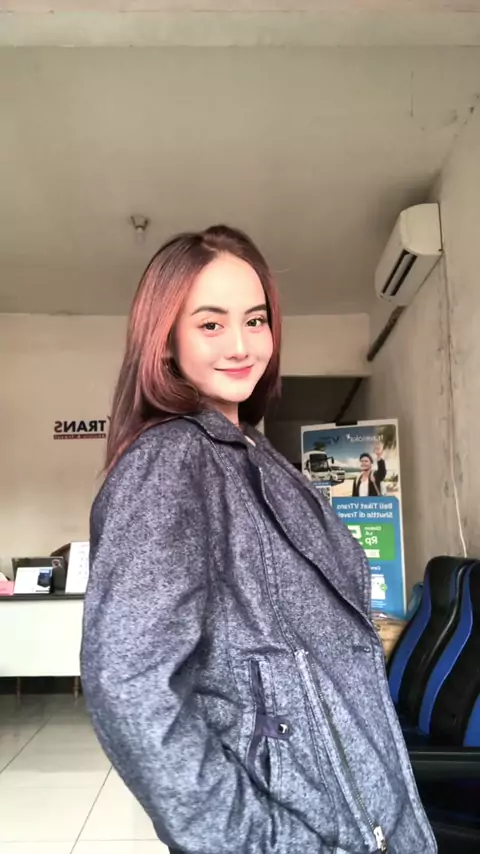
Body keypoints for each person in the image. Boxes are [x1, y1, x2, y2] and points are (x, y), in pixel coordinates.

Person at [80, 225, 436, 854]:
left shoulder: (258, 456)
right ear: (166, 341)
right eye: (210, 324)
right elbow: (130, 685)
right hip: (299, 826)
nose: (242, 345)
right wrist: (258, 842)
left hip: (361, 808)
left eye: (256, 320)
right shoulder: (171, 460)